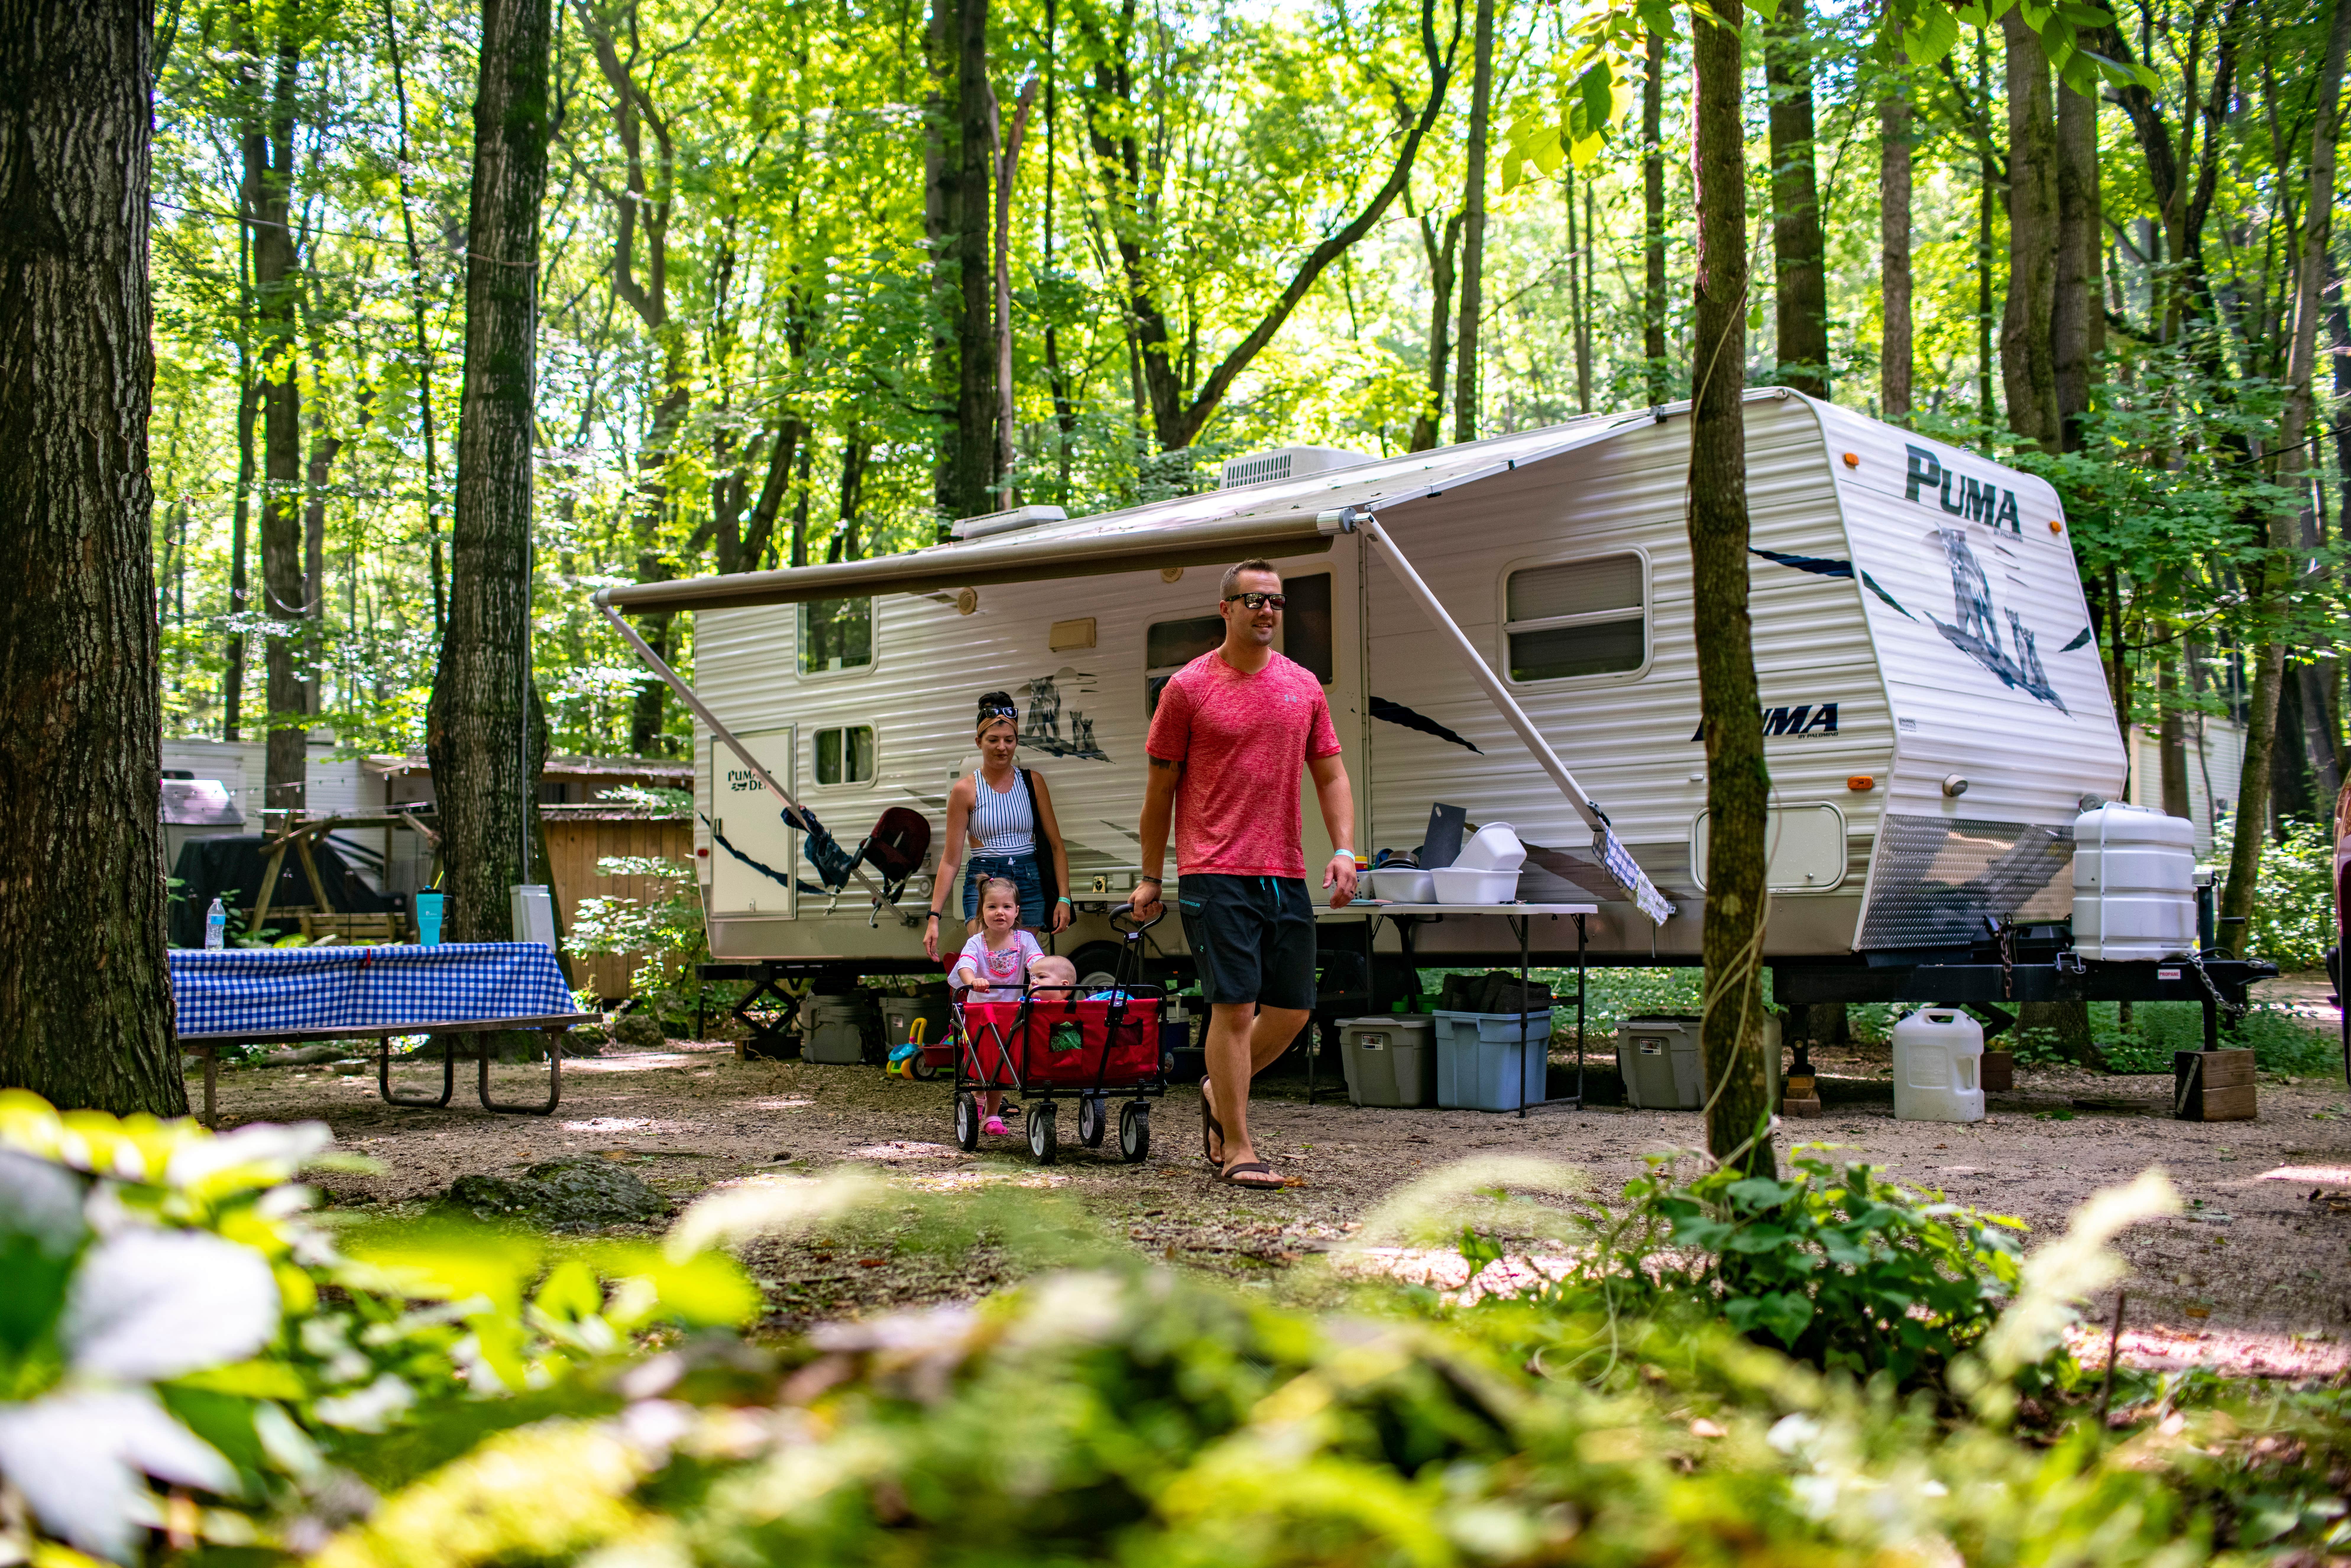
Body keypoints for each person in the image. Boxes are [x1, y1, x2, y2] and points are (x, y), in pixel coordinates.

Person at [1132, 560, 1356, 1190]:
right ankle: (1238, 1145)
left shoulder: (1302, 686)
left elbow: (1331, 773)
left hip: (1284, 870)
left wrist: (1345, 850)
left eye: (1276, 601)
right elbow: (1159, 791)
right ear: (1225, 608)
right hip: (1214, 870)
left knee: (1293, 1010)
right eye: (1254, 600)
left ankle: (1217, 1091)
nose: (1267, 611)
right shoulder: (1188, 688)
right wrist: (1151, 875)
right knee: (1232, 1008)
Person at [925, 690, 1075, 965]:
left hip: (1028, 880)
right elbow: (950, 860)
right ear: (979, 742)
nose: (1002, 747)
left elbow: (1056, 846)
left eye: (1009, 740)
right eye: (993, 740)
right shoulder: (965, 791)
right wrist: (934, 917)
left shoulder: (1033, 782)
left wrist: (1064, 898)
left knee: (1019, 966)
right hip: (986, 880)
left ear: (1017, 741)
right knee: (991, 963)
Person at [949, 876, 1079, 1135]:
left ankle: (992, 1115)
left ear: (1017, 911)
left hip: (1012, 1014)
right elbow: (965, 965)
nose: (1000, 912)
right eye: (992, 907)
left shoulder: (1025, 940)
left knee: (1002, 1063)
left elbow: (1038, 964)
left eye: (1007, 907)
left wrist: (1045, 981)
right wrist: (973, 981)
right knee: (981, 1064)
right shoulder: (976, 942)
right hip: (981, 1014)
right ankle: (977, 1099)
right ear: (982, 911)